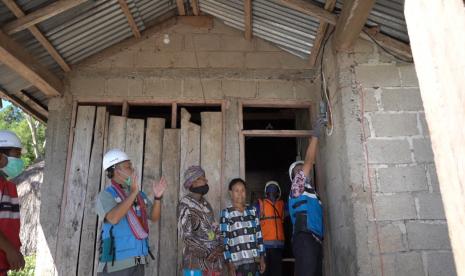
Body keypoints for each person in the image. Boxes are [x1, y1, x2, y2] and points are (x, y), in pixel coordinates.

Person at [96, 148, 167, 275]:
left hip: (138, 263)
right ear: (117, 171)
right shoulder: (105, 195)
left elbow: (154, 217)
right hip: (115, 266)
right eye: (129, 167)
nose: (133, 170)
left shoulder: (139, 195)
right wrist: (134, 192)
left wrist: (157, 198)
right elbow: (114, 218)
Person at [288, 118, 325, 276]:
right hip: (305, 240)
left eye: (302, 168)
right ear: (294, 177)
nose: (302, 170)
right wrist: (315, 136)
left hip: (314, 241)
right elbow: (309, 162)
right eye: (298, 170)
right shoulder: (297, 185)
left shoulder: (313, 194)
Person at [178, 166, 223, 276]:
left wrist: (220, 246)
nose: (206, 181)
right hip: (194, 263)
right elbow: (186, 237)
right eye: (203, 178)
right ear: (193, 182)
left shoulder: (206, 204)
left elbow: (215, 227)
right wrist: (207, 253)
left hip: (213, 262)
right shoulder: (185, 204)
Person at [220, 178, 266, 276]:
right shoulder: (226, 213)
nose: (240, 193)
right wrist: (229, 263)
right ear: (230, 193)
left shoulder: (252, 211)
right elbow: (224, 240)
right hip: (237, 264)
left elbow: (259, 235)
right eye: (236, 191)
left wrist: (262, 257)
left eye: (243, 190)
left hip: (255, 261)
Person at [0, 130, 25, 276]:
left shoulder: (8, 186)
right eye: (17, 155)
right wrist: (10, 250)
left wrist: (15, 250)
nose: (20, 161)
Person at [256, 181, 285, 276]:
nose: (272, 192)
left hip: (278, 247)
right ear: (266, 193)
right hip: (264, 247)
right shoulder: (260, 205)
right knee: (265, 272)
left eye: (274, 189)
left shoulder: (282, 205)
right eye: (270, 189)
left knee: (276, 272)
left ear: (278, 192)